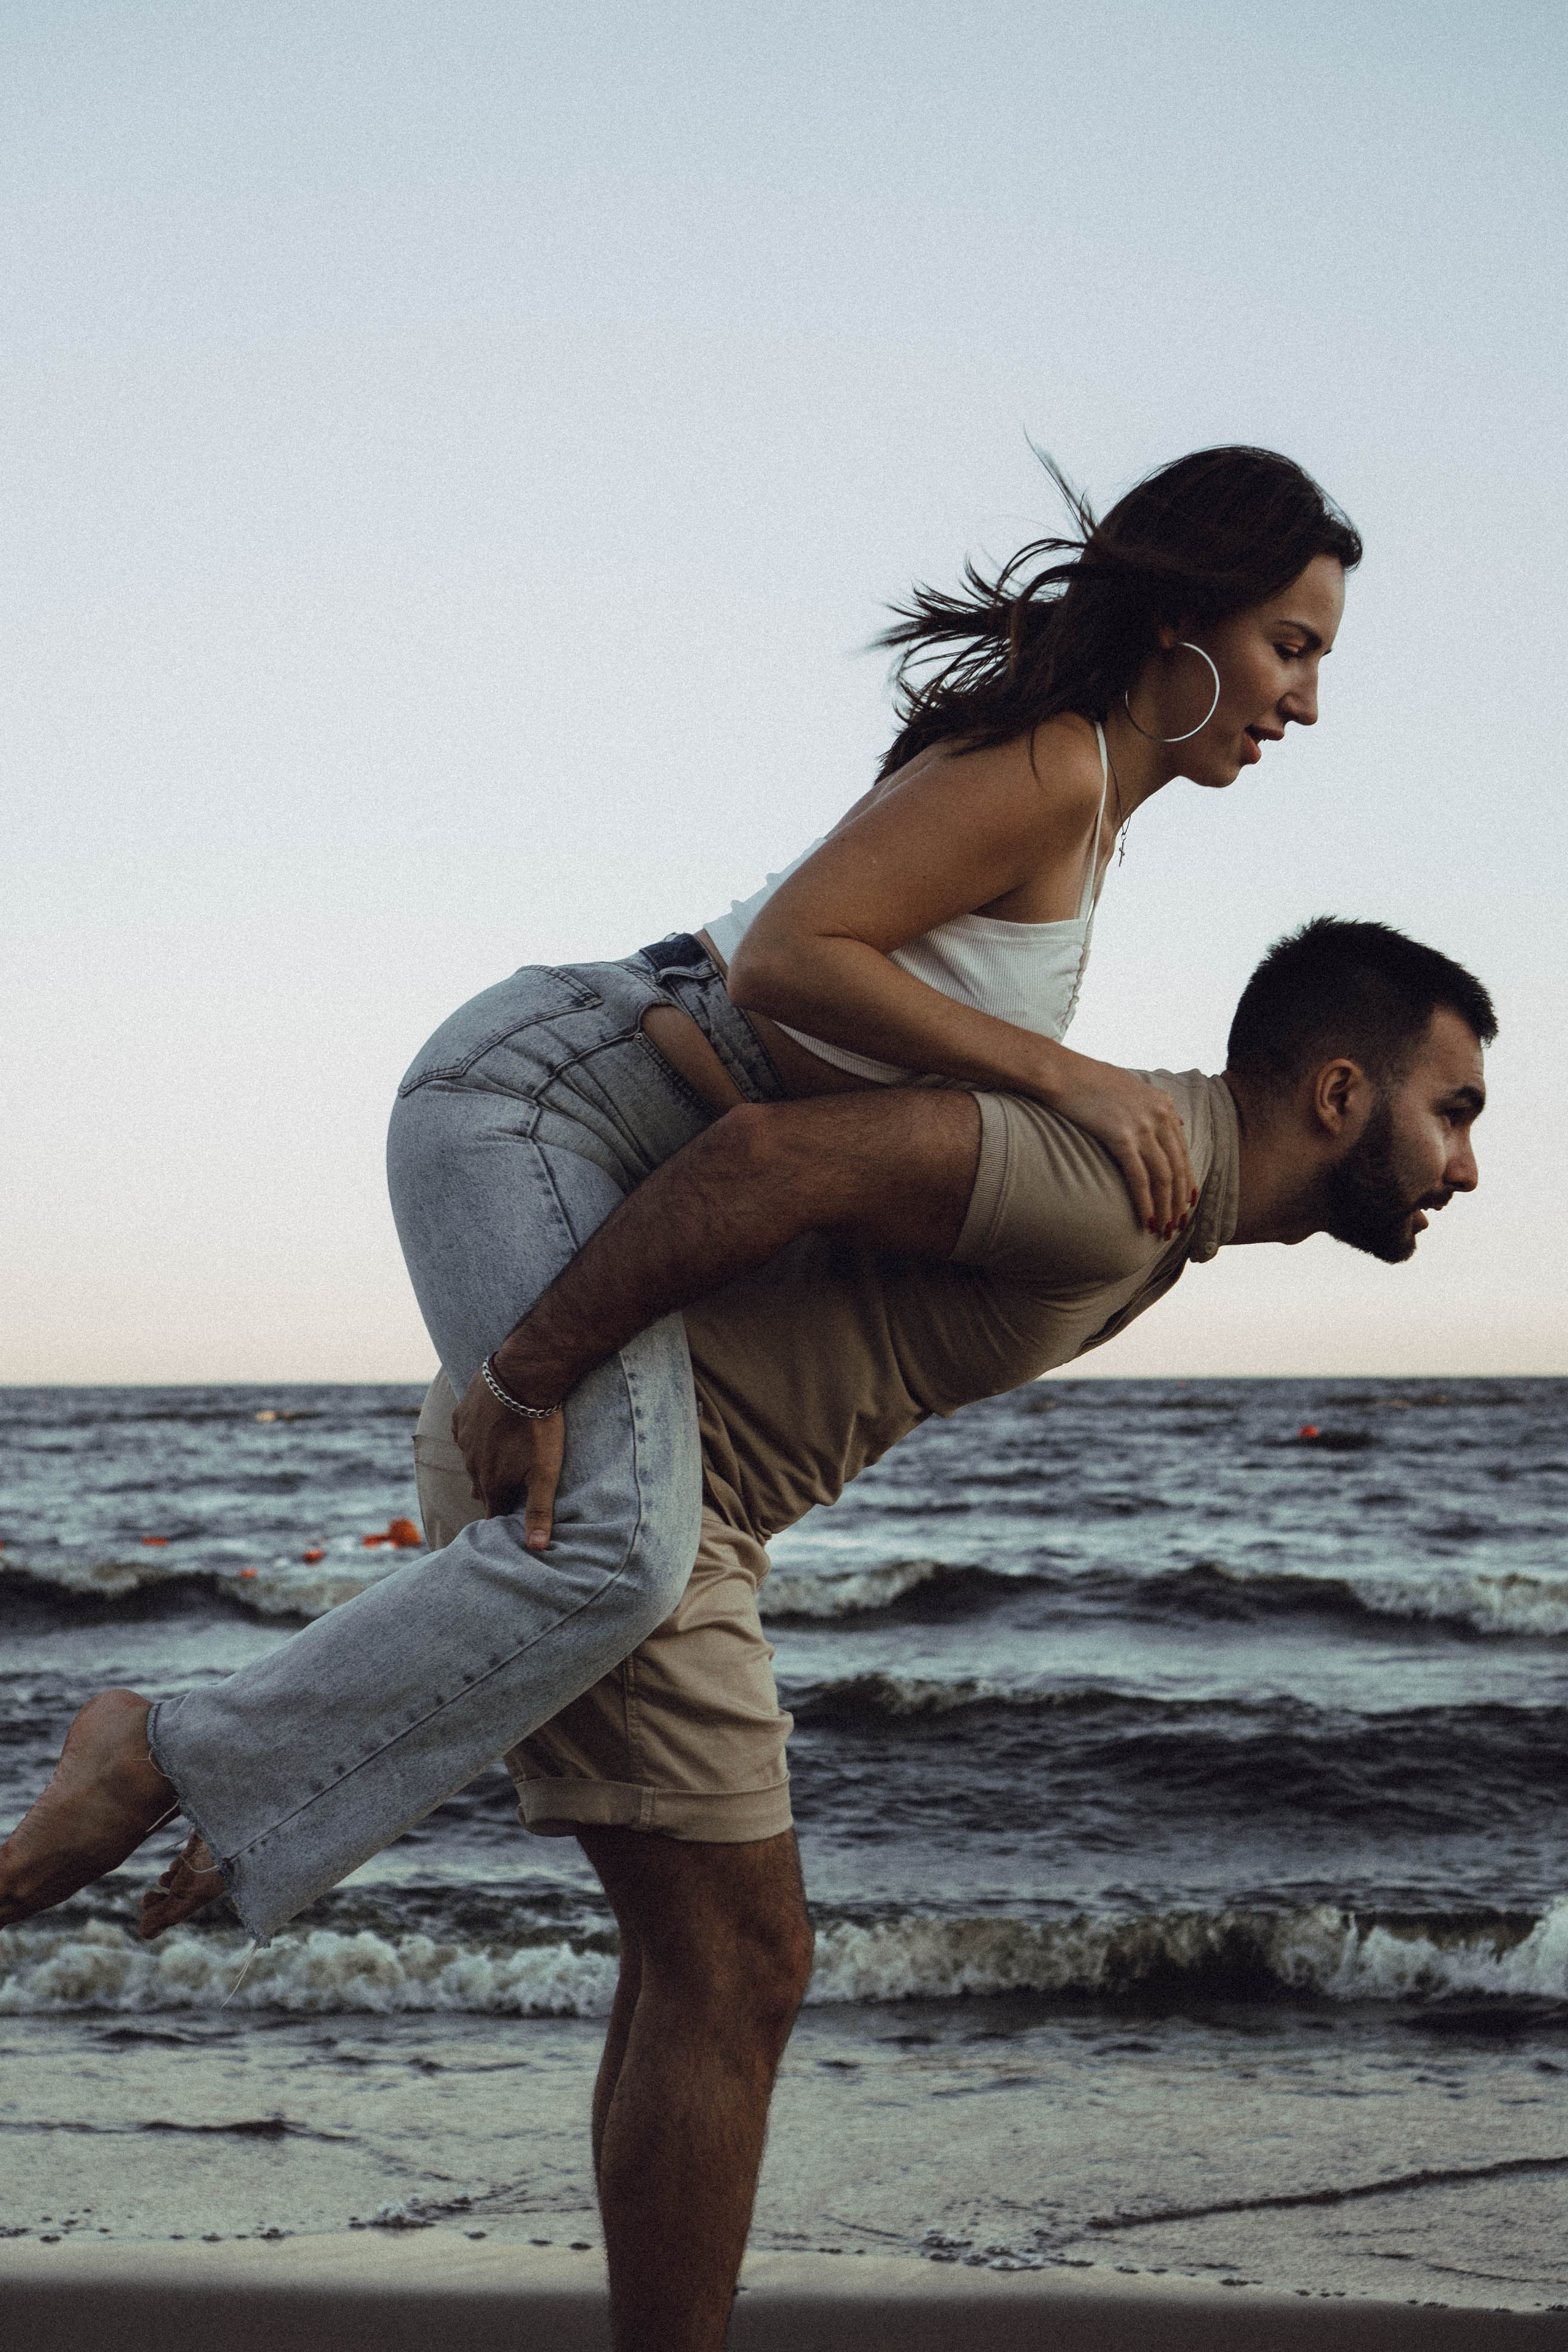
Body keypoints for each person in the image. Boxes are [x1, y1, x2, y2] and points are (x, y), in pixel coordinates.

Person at [5, 915, 1488, 2352]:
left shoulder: (1151, 1198)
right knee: (739, 1965)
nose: (1466, 1167)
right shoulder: (1108, 1182)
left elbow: (811, 1168)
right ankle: (163, 1750)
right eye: (1453, 1112)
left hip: (661, 1492)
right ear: (1339, 1092)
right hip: (628, 1487)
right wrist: (530, 1378)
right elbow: (773, 1162)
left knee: (699, 1964)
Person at [0, 448, 1360, 1947]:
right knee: (622, 1547)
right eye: (1287, 647)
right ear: (1185, 624)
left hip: (612, 1108)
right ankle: (154, 1755)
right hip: (528, 1097)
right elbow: (784, 960)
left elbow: (775, 1049)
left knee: (609, 1562)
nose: (1302, 698)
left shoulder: (1088, 808)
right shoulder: (1049, 769)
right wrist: (1071, 1080)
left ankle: (241, 1806)